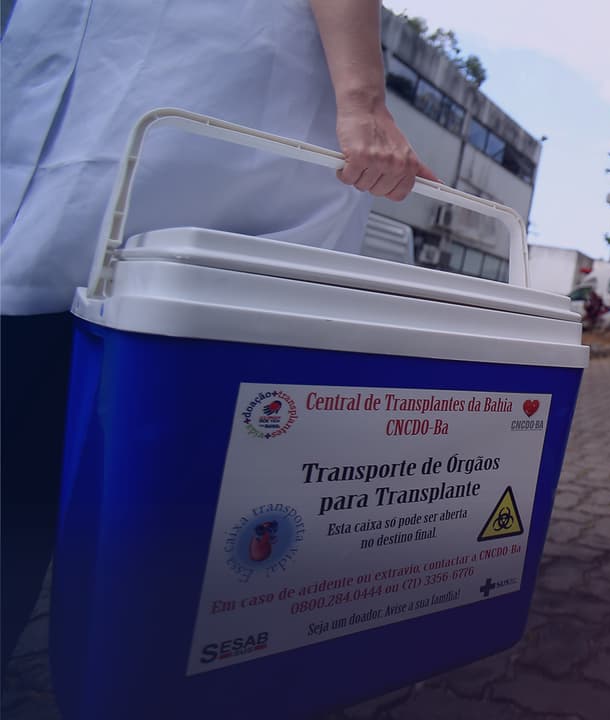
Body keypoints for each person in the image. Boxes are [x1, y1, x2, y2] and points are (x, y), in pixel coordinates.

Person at [0, 0, 437, 669]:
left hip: (204, 130)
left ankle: (154, 665)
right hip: (112, 140)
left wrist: (364, 101)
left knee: (155, 472)